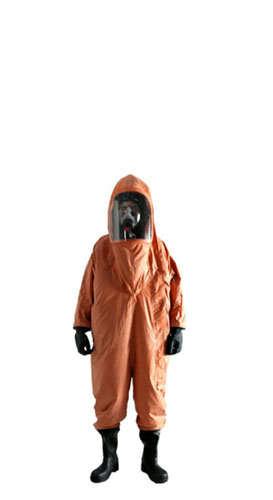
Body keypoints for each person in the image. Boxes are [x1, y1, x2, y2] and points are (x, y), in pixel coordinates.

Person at [73, 175, 186, 484]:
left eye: (134, 208)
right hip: (111, 332)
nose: (128, 214)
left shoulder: (158, 249)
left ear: (145, 212)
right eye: (122, 208)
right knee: (109, 389)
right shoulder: (102, 249)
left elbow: (175, 286)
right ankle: (109, 457)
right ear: (114, 211)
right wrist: (81, 325)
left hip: (151, 332)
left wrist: (177, 326)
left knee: (152, 393)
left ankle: (150, 459)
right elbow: (87, 289)